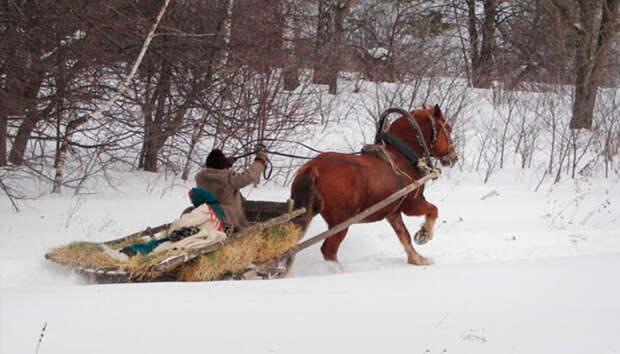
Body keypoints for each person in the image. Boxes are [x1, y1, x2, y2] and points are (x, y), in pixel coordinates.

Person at [195, 147, 267, 231]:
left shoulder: (200, 178)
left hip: (207, 216)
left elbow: (216, 174)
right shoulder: (229, 179)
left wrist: (226, 164)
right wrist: (260, 161)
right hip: (228, 221)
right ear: (222, 164)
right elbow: (249, 176)